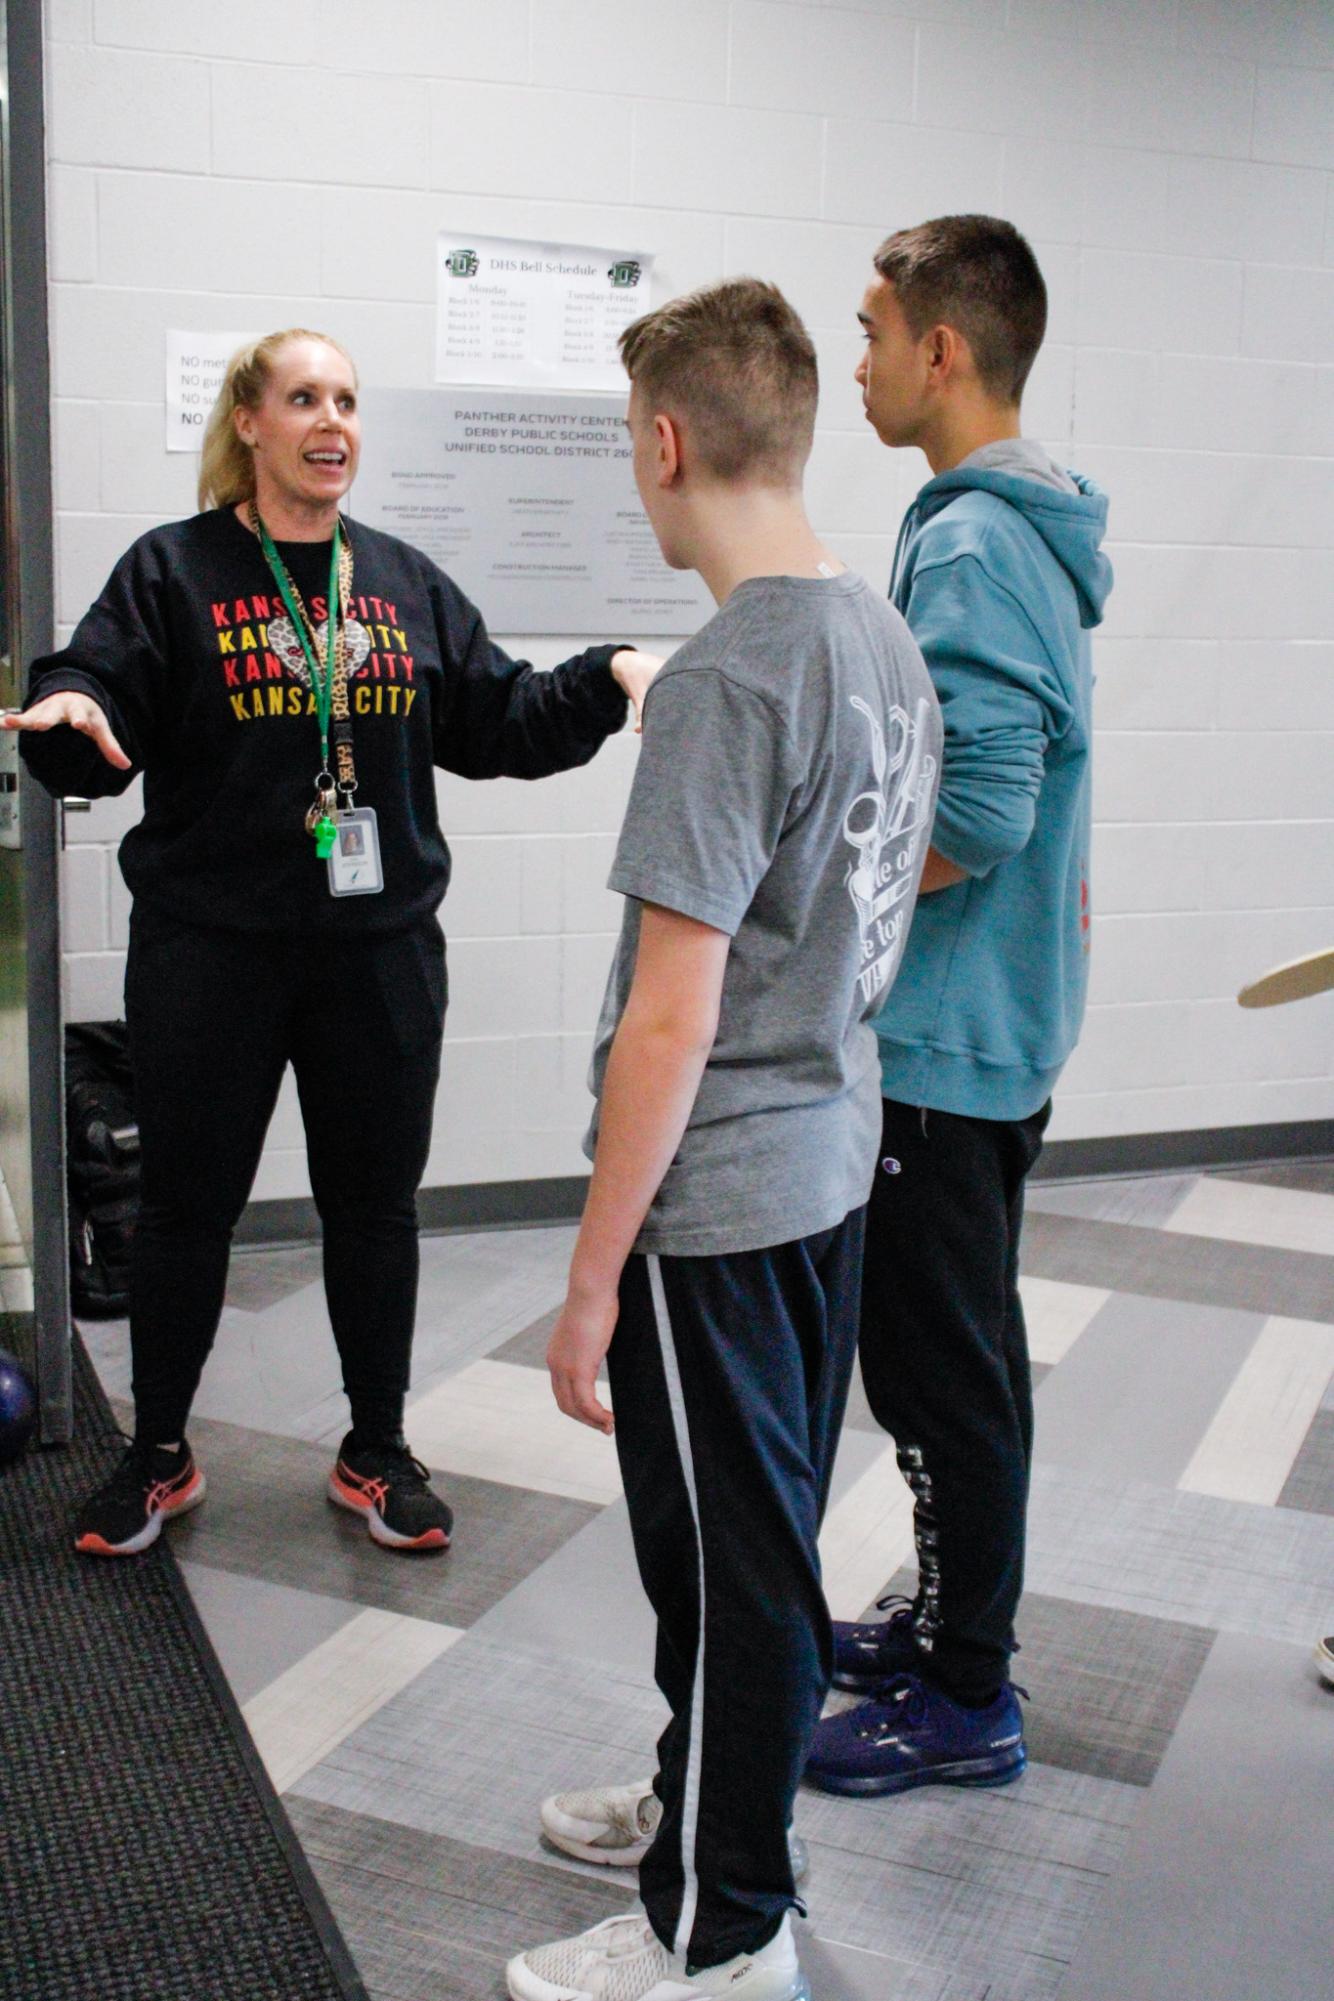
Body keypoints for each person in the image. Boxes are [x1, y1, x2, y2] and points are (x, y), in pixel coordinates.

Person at [10, 327, 657, 1560]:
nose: (332, 421)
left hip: (378, 955)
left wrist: (608, 672)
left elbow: (496, 718)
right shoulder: (175, 571)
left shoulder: (402, 581)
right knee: (185, 1210)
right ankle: (157, 1451)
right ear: (248, 423)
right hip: (213, 951)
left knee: (374, 1208)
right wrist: (71, 710)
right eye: (303, 397)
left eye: (348, 400)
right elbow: (94, 693)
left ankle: (374, 1449)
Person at [504, 280, 940, 2001]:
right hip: (831, 1160)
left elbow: (667, 1021)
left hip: (722, 1208)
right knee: (744, 1554)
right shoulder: (874, 636)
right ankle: (709, 1809)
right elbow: (871, 892)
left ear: (667, 441)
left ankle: (715, 1937)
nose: (633, 465)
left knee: (734, 1570)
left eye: (629, 439)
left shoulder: (720, 678)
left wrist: (589, 1278)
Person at [803, 215, 1113, 1799]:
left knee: (939, 1372)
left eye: (866, 331)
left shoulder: (979, 540)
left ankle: (967, 1692)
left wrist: (824, 900)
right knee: (953, 1353)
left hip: (945, 1039)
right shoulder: (992, 526)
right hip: (977, 1029)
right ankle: (945, 1615)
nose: (850, 361)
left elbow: (980, 806)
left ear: (940, 349)